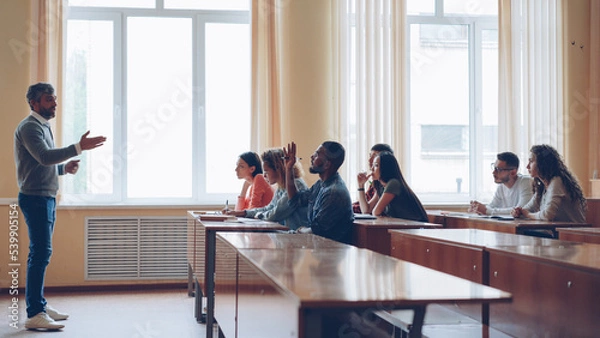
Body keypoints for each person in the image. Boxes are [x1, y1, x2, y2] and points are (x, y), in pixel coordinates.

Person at [15, 83, 107, 330]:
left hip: (45, 197)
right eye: (48, 100)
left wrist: (62, 169)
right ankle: (35, 313)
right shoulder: (29, 127)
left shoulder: (43, 126)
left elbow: (41, 166)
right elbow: (44, 156)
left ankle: (40, 306)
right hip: (35, 199)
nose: (54, 103)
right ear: (34, 103)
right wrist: (78, 147)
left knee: (42, 254)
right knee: (40, 254)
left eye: (54, 99)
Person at [283, 141, 354, 244]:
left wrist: (299, 231)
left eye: (317, 154)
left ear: (327, 165)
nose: (312, 156)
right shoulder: (321, 184)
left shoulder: (333, 193)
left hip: (331, 253)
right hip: (318, 249)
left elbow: (315, 231)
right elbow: (295, 200)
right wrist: (289, 168)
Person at [225, 148, 309, 230]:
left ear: (278, 168)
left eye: (266, 172)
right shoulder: (281, 187)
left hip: (296, 237)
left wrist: (258, 215)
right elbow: (269, 208)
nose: (264, 175)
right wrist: (243, 213)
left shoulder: (295, 185)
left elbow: (277, 213)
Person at [511, 144, 587, 224]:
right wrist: (518, 212)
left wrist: (528, 214)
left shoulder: (557, 181)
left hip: (572, 233)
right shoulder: (543, 185)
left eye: (531, 161)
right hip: (556, 231)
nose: (527, 166)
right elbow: (526, 209)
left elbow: (547, 215)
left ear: (543, 163)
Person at [357, 151, 428, 221]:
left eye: (376, 165)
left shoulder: (393, 183)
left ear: (385, 168)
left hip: (416, 226)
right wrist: (361, 186)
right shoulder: (381, 186)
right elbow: (366, 211)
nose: (371, 169)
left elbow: (375, 212)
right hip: (403, 226)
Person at [469, 152, 533, 216]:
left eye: (498, 169)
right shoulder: (501, 186)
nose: (493, 172)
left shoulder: (526, 182)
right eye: (494, 168)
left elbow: (521, 210)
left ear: (513, 172)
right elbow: (492, 206)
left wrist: (486, 211)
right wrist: (478, 209)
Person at [352, 143, 394, 213]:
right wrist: (361, 186)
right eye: (370, 156)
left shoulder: (391, 183)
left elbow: (370, 211)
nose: (369, 160)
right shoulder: (379, 183)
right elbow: (365, 210)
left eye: (374, 156)